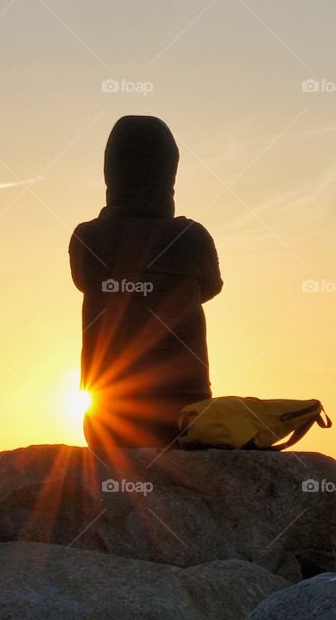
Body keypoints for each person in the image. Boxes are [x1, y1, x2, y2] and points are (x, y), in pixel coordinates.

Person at [69, 116, 223, 452]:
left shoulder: (88, 238)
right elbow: (211, 288)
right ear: (170, 173)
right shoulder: (192, 237)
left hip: (108, 424)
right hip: (187, 421)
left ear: (110, 172)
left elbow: (83, 279)